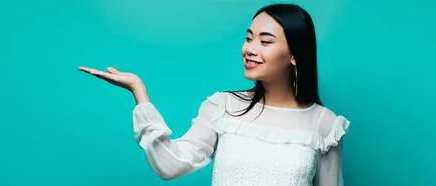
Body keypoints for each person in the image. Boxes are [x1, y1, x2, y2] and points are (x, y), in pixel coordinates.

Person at [79, 3, 350, 186]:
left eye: (265, 41)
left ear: (294, 55)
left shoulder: (324, 123)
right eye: (249, 38)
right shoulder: (223, 106)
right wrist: (140, 93)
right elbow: (170, 165)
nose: (250, 49)